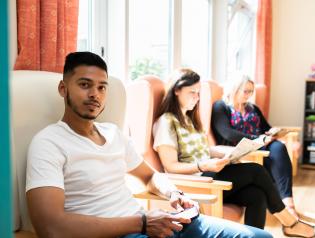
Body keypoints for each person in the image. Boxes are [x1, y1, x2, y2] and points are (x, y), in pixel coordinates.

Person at [26, 52, 272, 238]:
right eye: (84, 85)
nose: (95, 94)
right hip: (123, 232)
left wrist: (173, 193)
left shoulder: (113, 133)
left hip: (155, 223)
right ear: (63, 88)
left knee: (260, 236)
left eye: (102, 87)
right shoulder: (48, 143)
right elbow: (51, 227)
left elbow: (150, 176)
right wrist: (142, 223)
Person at [153, 68, 315, 237]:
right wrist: (203, 164)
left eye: (199, 93)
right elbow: (171, 167)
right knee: (257, 171)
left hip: (207, 173)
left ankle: (276, 229)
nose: (197, 98)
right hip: (195, 183)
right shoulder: (166, 122)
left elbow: (205, 150)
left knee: (257, 196)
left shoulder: (190, 119)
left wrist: (231, 153)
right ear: (176, 90)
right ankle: (290, 223)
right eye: (192, 92)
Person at [211, 73, 298, 217]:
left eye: (251, 91)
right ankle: (281, 206)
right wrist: (257, 138)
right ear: (234, 89)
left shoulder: (253, 108)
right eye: (246, 91)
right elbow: (227, 133)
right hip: (237, 148)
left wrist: (273, 133)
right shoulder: (221, 106)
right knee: (275, 152)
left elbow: (266, 127)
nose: (249, 95)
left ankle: (289, 203)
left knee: (279, 147)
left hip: (260, 144)